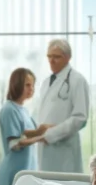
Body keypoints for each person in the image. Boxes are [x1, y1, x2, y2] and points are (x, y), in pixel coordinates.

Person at [0, 68, 44, 185]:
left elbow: (26, 132)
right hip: (12, 173)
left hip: (24, 172)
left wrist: (44, 130)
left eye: (33, 85)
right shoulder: (9, 109)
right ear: (17, 85)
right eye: (28, 85)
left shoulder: (22, 109)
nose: (32, 89)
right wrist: (41, 137)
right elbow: (15, 143)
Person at [34, 39, 90, 173]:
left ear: (68, 58)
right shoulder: (46, 82)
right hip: (45, 148)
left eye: (56, 57)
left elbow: (80, 118)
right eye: (49, 56)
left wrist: (52, 134)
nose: (51, 61)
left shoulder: (77, 80)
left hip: (64, 149)